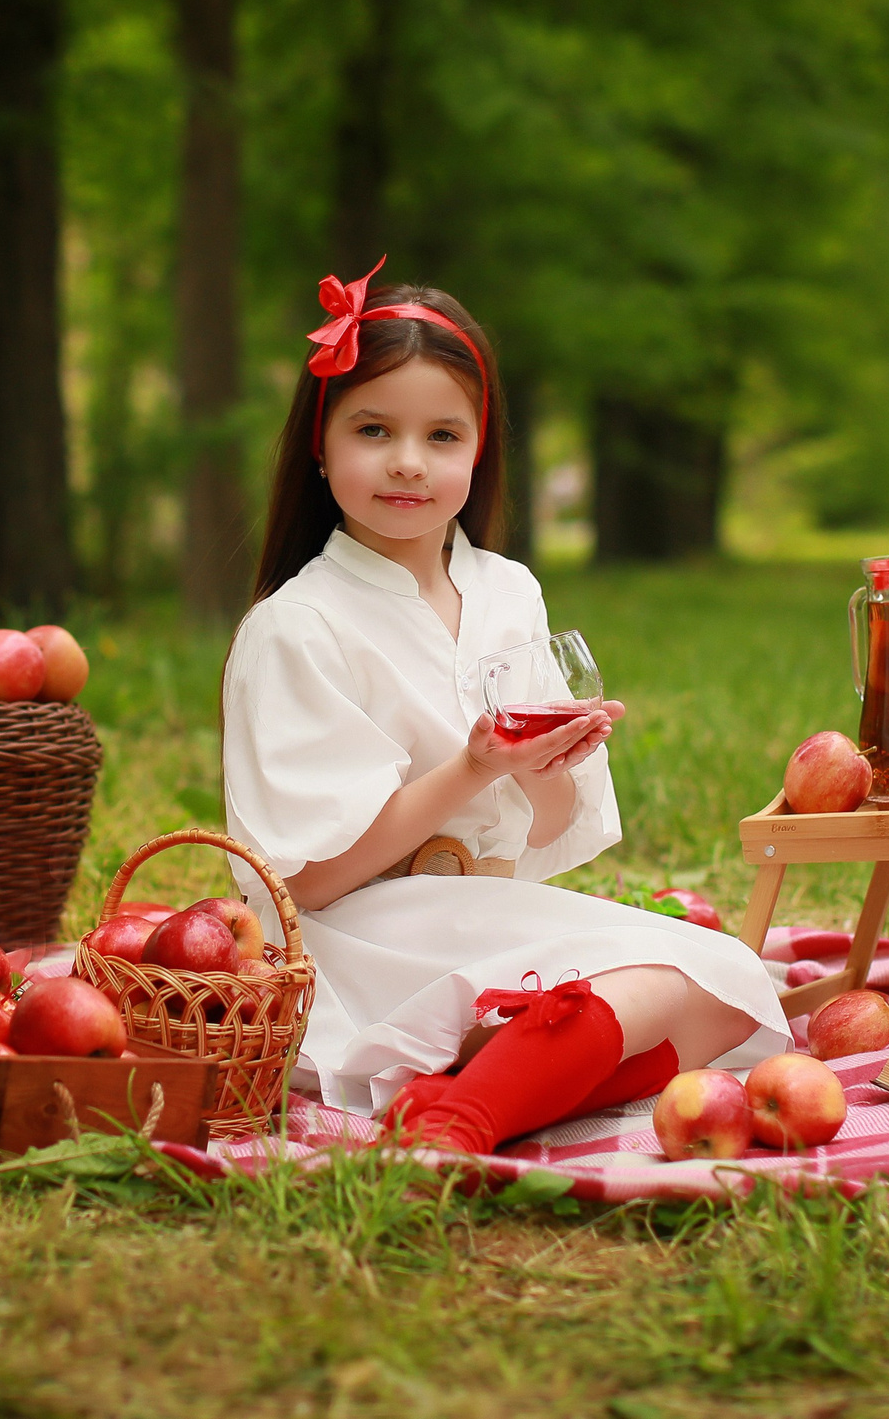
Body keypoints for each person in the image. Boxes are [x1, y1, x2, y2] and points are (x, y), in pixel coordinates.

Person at [217, 261, 790, 1153]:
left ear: (478, 448)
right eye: (374, 429)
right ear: (320, 447)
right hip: (360, 940)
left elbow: (545, 835)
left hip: (480, 915)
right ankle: (465, 1119)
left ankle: (467, 1083)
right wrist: (474, 768)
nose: (409, 461)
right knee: (659, 986)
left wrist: (548, 767)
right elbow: (305, 881)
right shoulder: (298, 625)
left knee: (728, 986)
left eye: (442, 434)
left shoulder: (508, 592)